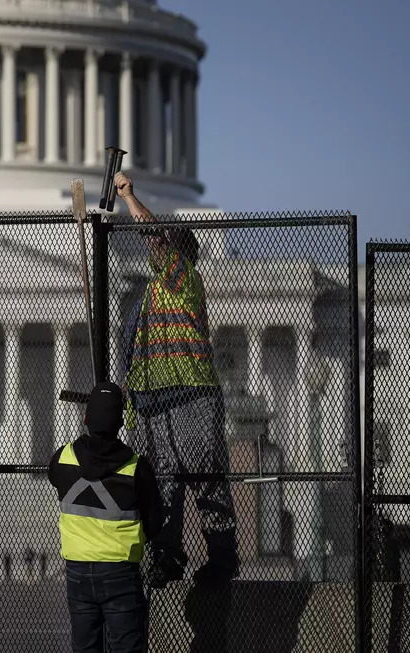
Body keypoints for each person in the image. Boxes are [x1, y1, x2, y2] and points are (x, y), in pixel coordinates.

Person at [114, 171, 239, 586]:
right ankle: (167, 557)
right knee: (162, 482)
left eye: (164, 243)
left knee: (203, 474)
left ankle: (222, 559)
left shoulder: (184, 279)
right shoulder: (150, 294)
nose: (155, 248)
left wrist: (130, 197)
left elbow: (154, 239)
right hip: (155, 399)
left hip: (189, 391)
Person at [48, 381, 161, 653]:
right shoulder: (137, 467)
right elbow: (154, 521)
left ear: (85, 418)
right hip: (120, 570)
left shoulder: (62, 459)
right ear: (120, 422)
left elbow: (56, 480)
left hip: (77, 570)